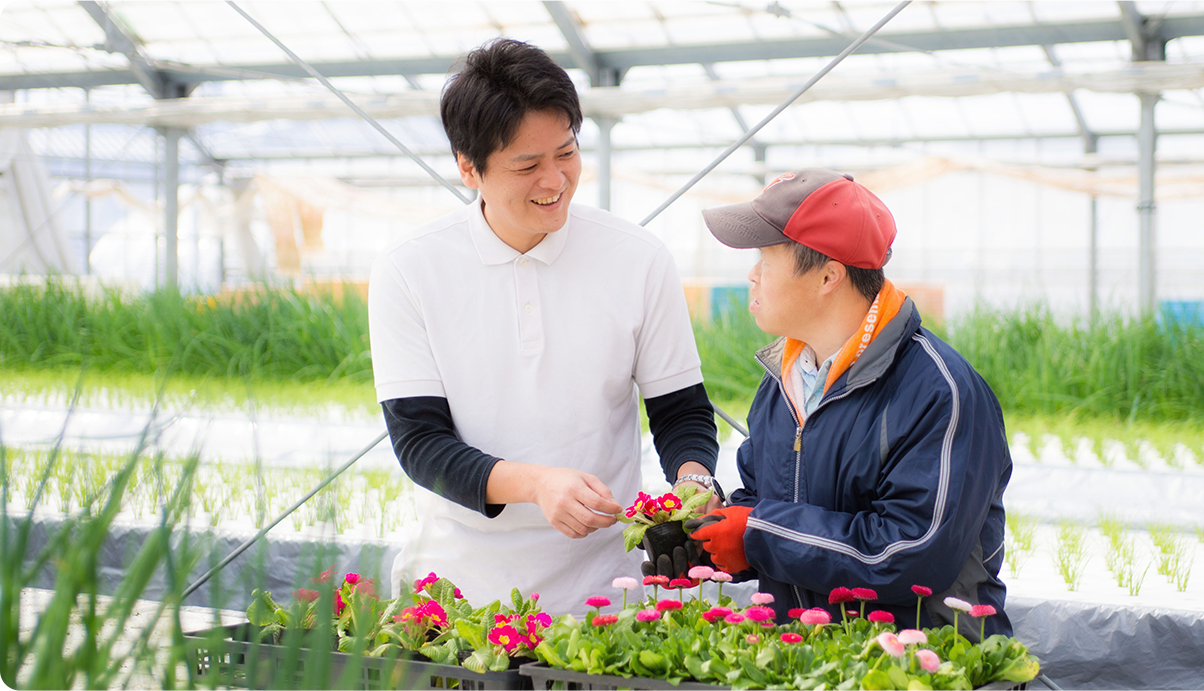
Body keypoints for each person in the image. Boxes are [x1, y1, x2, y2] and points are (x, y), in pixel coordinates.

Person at [367, 38, 721, 615]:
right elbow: (420, 443)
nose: (554, 180)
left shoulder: (637, 258)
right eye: (527, 165)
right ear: (467, 168)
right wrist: (536, 485)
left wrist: (693, 483)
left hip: (607, 591)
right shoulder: (410, 268)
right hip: (460, 597)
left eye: (566, 152)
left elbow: (680, 410)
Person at [685, 169, 1014, 638]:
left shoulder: (940, 392)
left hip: (921, 666)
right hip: (809, 660)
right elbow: (763, 508)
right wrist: (705, 541)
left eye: (766, 258)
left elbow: (909, 553)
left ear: (828, 275)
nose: (752, 275)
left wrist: (757, 534)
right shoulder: (781, 385)